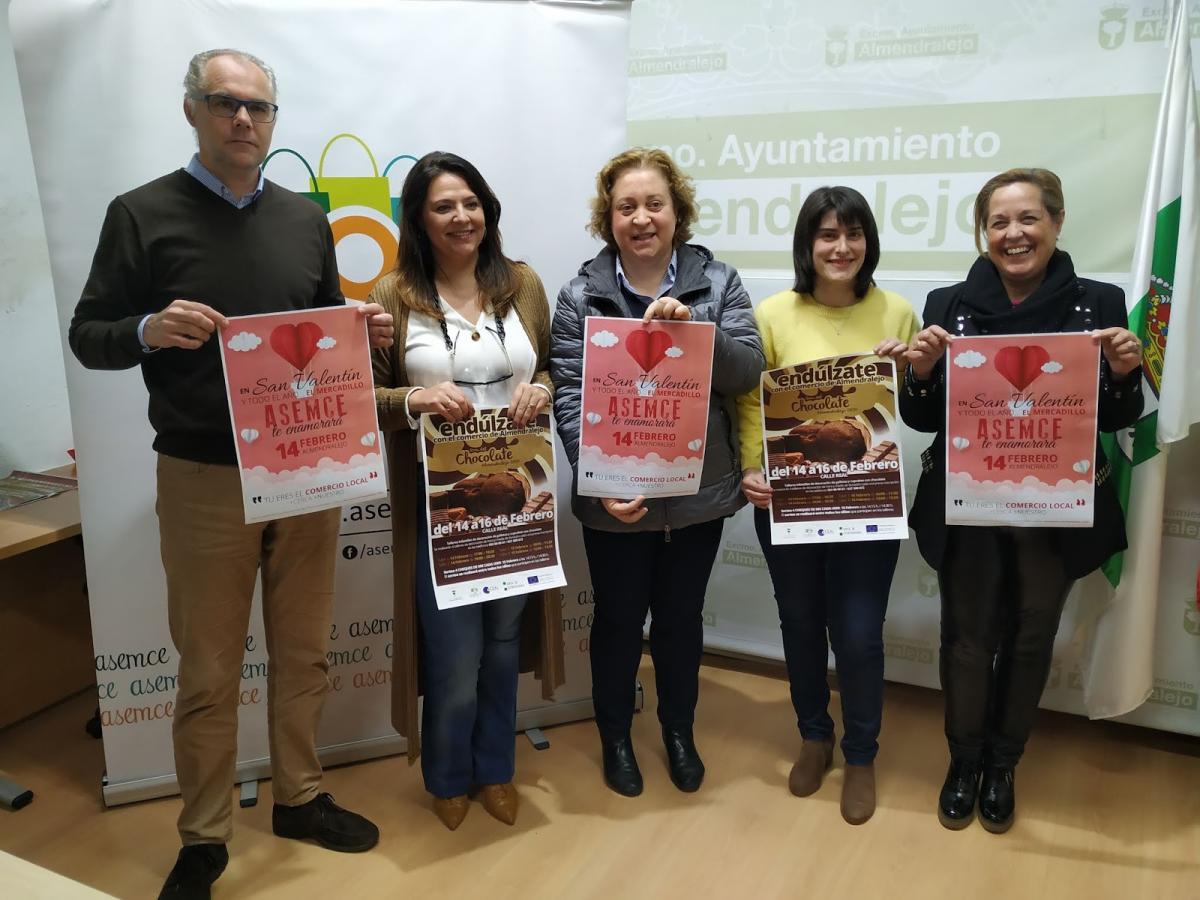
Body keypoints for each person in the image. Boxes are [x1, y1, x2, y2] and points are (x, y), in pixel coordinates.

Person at [69, 49, 393, 900]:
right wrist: (146, 327)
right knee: (209, 667)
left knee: (304, 650)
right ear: (192, 111)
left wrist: (360, 328)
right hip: (204, 475)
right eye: (224, 103)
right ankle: (205, 836)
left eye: (259, 108)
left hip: (308, 471)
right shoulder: (140, 214)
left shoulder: (303, 219)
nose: (243, 120)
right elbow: (88, 334)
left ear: (275, 120)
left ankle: (301, 796)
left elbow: (322, 330)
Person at [900, 168, 1143, 833]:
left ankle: (1004, 764)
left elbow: (1116, 415)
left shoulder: (1100, 303)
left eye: (1028, 218)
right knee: (968, 639)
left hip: (1053, 508)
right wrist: (919, 374)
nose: (1014, 234)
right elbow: (923, 420)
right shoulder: (947, 304)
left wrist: (1124, 374)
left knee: (1032, 637)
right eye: (999, 222)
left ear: (1057, 224)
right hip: (970, 505)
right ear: (985, 233)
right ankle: (964, 761)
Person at [551, 148, 764, 797]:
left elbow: (748, 370)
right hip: (616, 500)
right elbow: (568, 393)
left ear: (677, 212)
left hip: (697, 498)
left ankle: (678, 730)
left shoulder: (718, 282)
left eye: (654, 204)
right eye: (626, 207)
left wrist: (692, 326)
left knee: (680, 621)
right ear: (607, 217)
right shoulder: (579, 294)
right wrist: (598, 475)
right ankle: (615, 736)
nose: (641, 218)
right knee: (617, 621)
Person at [370, 151, 564, 831]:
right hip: (443, 504)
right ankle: (449, 775)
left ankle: (496, 769)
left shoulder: (522, 282)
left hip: (516, 499)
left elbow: (558, 370)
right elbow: (364, 397)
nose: (462, 217)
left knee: (505, 643)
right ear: (419, 220)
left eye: (471, 202)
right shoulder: (393, 294)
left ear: (488, 210)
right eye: (444, 206)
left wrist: (544, 387)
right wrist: (415, 396)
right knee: (455, 655)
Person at [736, 186, 919, 825]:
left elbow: (913, 406)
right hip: (789, 503)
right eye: (827, 235)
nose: (841, 248)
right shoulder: (772, 313)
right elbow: (753, 402)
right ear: (807, 245)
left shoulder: (897, 310)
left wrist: (911, 369)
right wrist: (754, 467)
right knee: (800, 623)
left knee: (861, 635)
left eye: (853, 234)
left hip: (867, 503)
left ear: (868, 242)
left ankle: (861, 753)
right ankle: (816, 734)